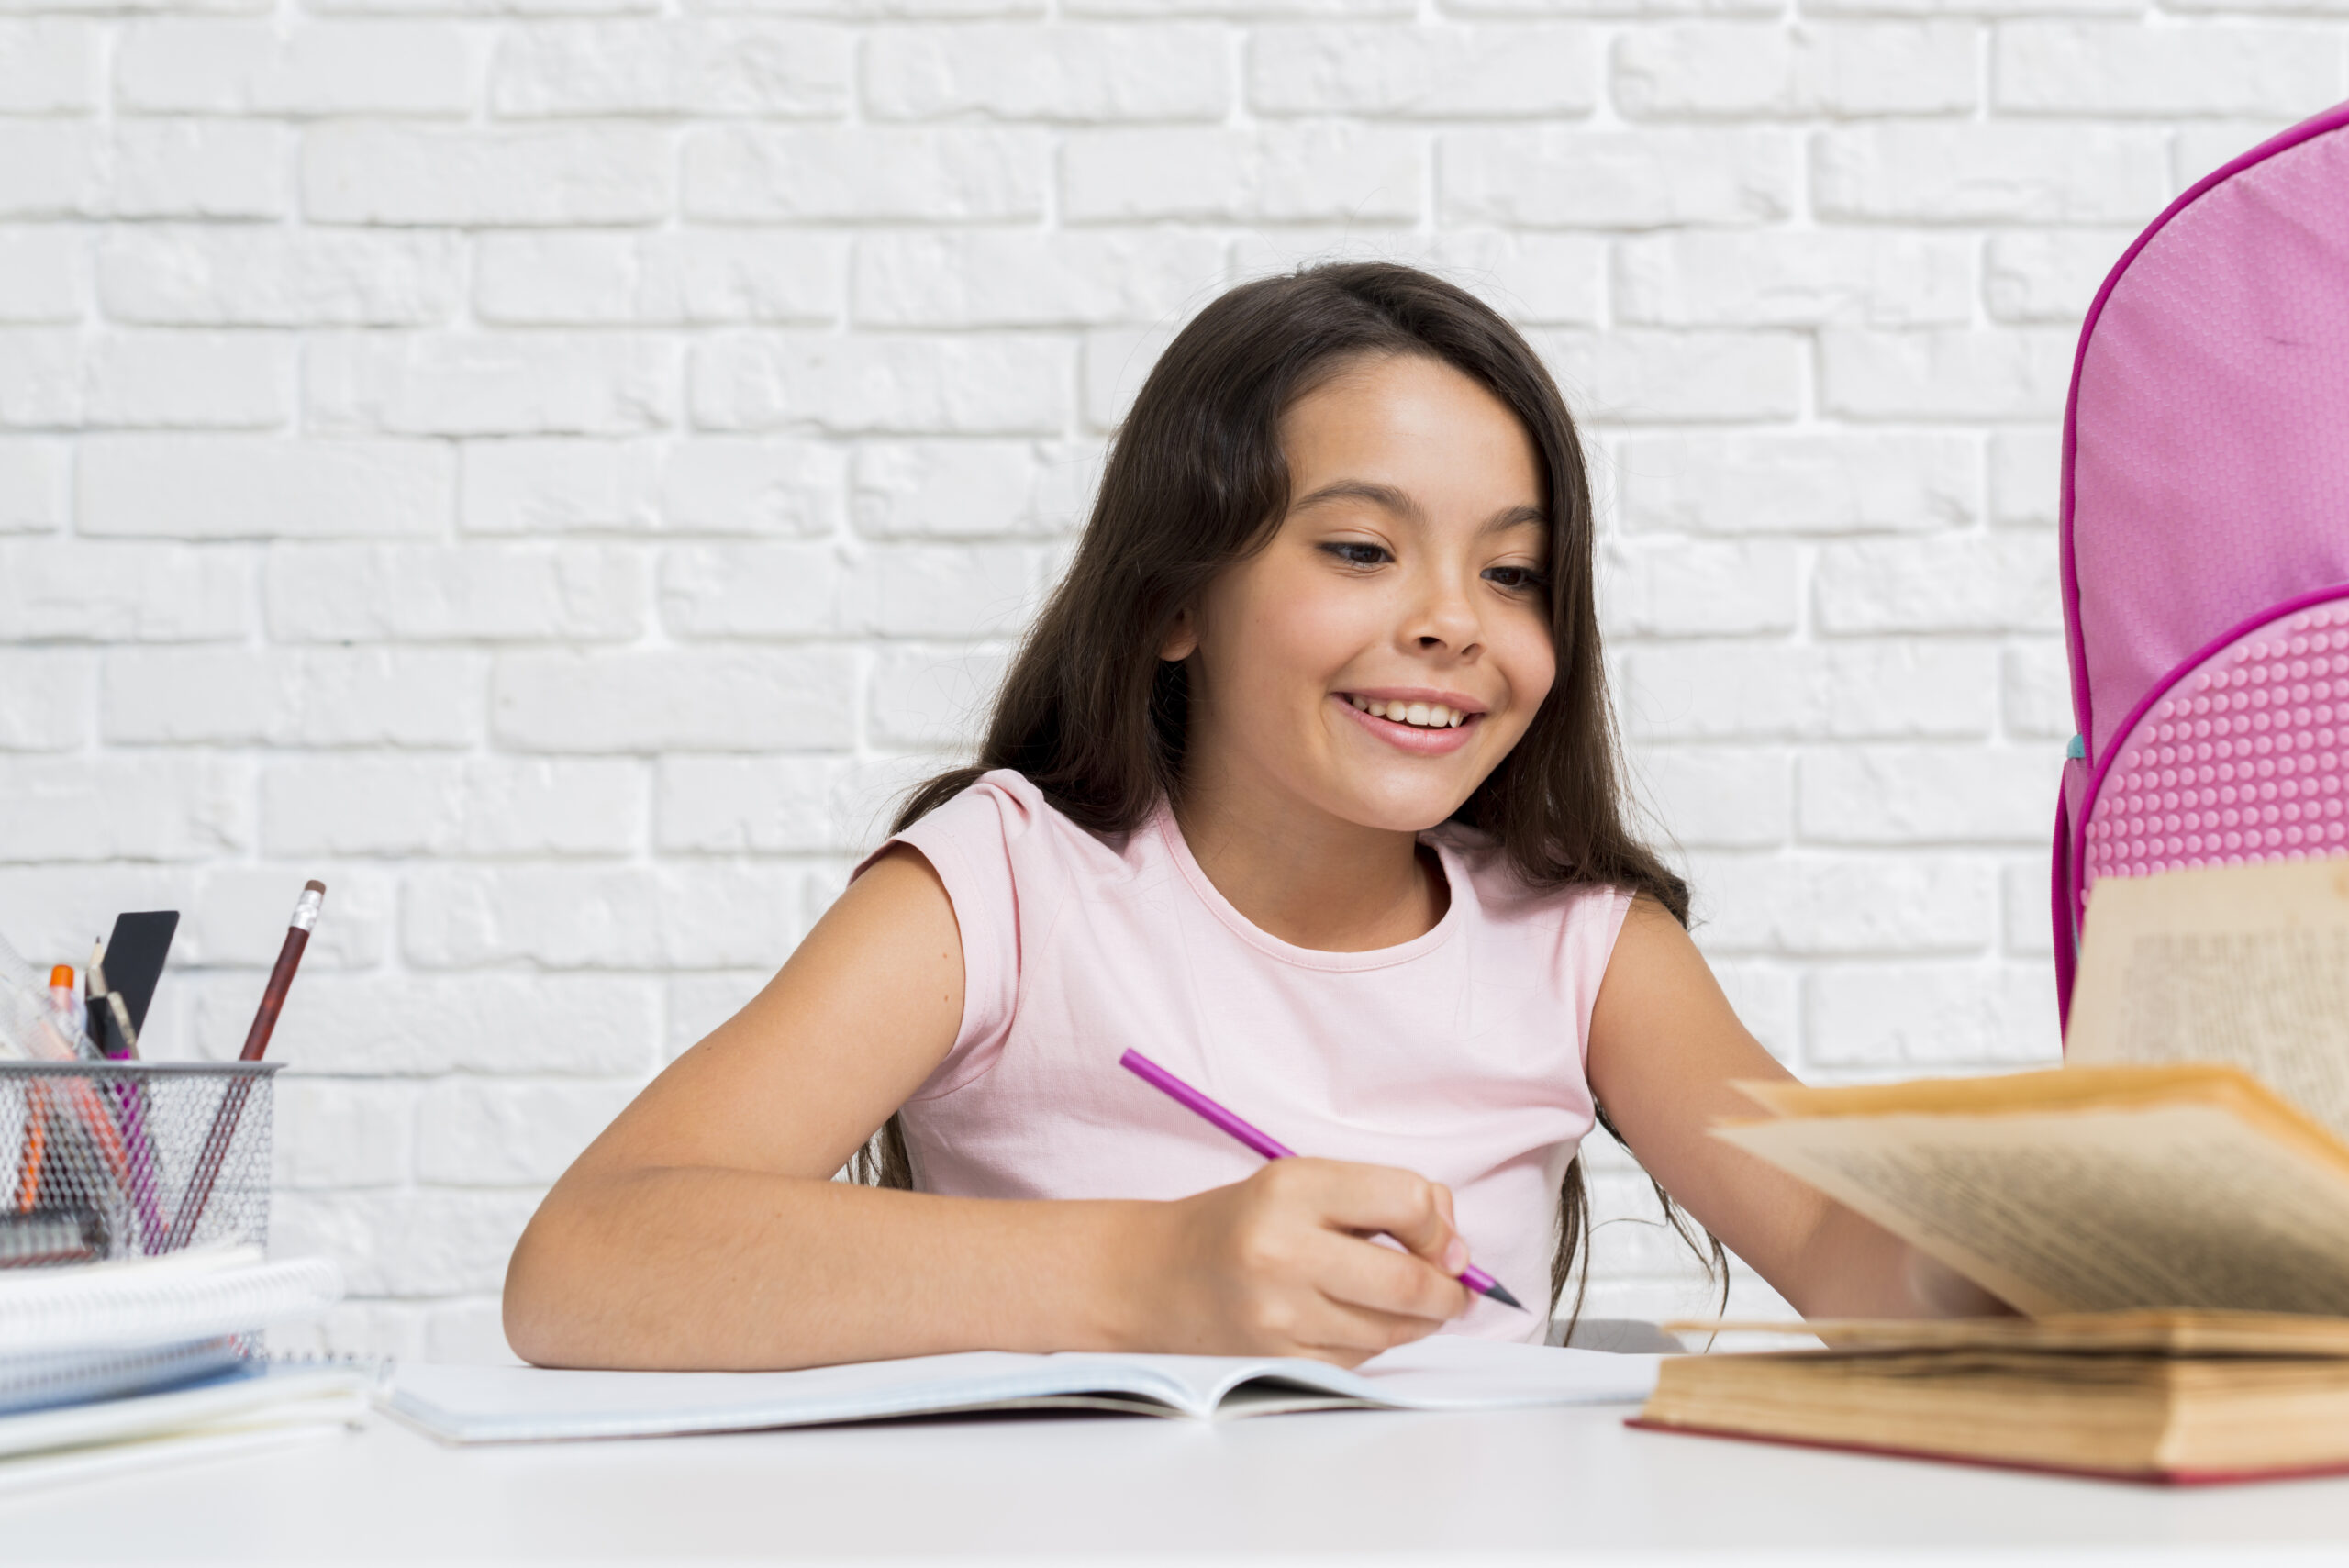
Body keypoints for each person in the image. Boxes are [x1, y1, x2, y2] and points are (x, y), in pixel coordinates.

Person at [504, 262, 2002, 1372]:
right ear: (1171, 601)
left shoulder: (1587, 948)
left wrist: (2074, 1260)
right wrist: (1156, 1269)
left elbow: (1837, 1239)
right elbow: (585, 1263)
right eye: (1361, 546)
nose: (1451, 624)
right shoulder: (1009, 885)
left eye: (1514, 573)